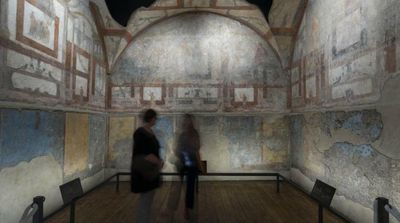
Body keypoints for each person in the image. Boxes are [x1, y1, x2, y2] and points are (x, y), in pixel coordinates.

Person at [131, 109, 163, 223]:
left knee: (148, 200)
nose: (156, 120)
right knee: (145, 201)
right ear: (151, 118)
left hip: (151, 172)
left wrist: (158, 162)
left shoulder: (149, 131)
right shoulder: (140, 133)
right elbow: (144, 153)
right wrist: (158, 162)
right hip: (145, 172)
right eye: (155, 118)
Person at [176, 114, 204, 220]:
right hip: (187, 163)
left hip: (188, 163)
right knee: (188, 189)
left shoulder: (190, 134)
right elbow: (196, 150)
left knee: (189, 189)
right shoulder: (185, 134)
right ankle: (186, 209)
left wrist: (200, 165)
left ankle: (186, 209)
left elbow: (196, 151)